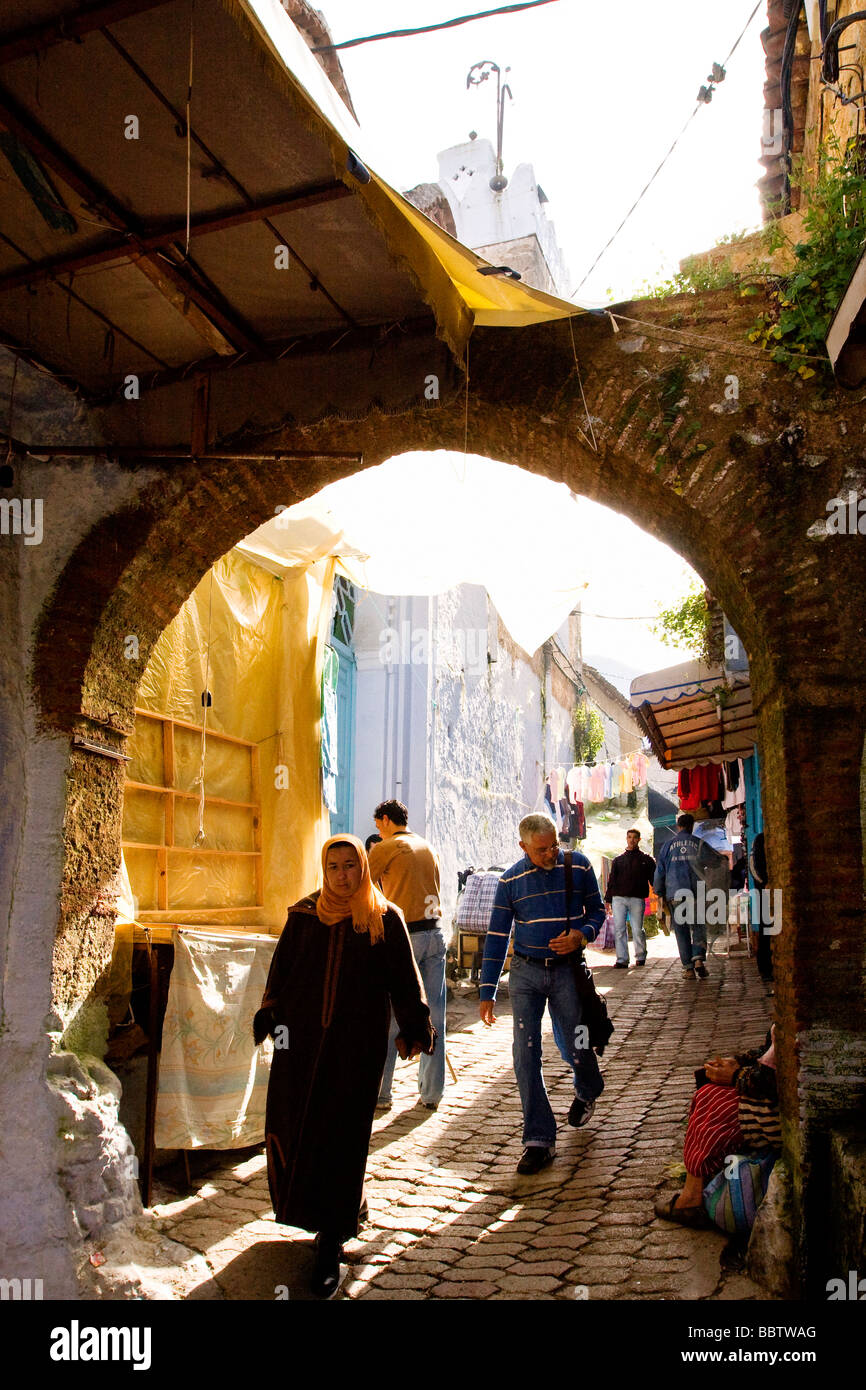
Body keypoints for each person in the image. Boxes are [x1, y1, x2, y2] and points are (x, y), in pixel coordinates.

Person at [253, 835, 434, 1298]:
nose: (341, 874)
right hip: (301, 1045)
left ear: (363, 868)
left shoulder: (382, 918)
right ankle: (344, 1205)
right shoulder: (303, 915)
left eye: (350, 865)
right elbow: (282, 971)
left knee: (342, 1136)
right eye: (332, 866)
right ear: (324, 868)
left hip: (357, 1048)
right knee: (297, 1129)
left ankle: (329, 1241)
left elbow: (403, 979)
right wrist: (269, 1013)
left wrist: (415, 1025)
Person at [478, 813, 606, 1175]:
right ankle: (538, 1140)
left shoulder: (577, 866)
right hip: (525, 974)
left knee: (575, 1044)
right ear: (523, 847)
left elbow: (597, 911)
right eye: (542, 849)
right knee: (525, 1053)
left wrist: (581, 935)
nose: (551, 853)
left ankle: (587, 1088)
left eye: (554, 845)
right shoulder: (510, 881)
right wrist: (487, 989)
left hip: (567, 972)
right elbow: (498, 936)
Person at [654, 1028, 780, 1227]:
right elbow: (768, 1050)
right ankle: (709, 1178)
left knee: (712, 1099)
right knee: (711, 1088)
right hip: (770, 1093)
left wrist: (737, 1075)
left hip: (778, 1111)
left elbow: (774, 1078)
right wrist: (739, 1062)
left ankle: (691, 1199)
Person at [368, 800, 446, 1111]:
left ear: (385, 821)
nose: (378, 832)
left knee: (388, 1015)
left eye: (378, 826)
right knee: (434, 1016)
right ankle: (431, 1094)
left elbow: (363, 888)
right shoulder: (427, 846)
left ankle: (381, 1093)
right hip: (435, 934)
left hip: (405, 936)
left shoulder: (387, 847)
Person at [653, 813, 711, 979]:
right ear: (692, 826)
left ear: (678, 826)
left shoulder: (667, 846)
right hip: (696, 892)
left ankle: (688, 969)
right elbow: (713, 863)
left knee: (681, 930)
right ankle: (699, 958)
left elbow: (660, 871)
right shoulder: (699, 843)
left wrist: (659, 892)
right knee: (698, 925)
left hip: (675, 893)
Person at [604, 828, 656, 969]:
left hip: (637, 898)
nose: (631, 840)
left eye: (634, 837)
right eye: (629, 837)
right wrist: (608, 901)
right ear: (626, 839)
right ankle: (622, 959)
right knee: (619, 929)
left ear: (639, 839)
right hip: (618, 898)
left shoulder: (646, 860)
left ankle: (640, 956)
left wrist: (660, 894)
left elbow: (654, 880)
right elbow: (611, 882)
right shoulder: (618, 860)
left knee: (637, 928)